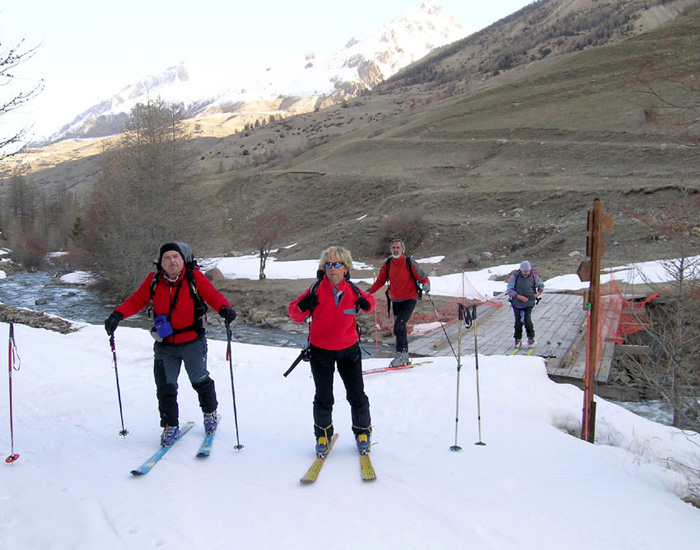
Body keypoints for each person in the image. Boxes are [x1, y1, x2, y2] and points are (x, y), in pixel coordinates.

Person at [103, 242, 237, 447]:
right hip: (165, 344)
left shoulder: (193, 278)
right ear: (161, 262)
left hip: (193, 341)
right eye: (167, 257)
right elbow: (137, 300)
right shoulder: (154, 280)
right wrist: (117, 316)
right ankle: (169, 424)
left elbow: (211, 295)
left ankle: (210, 412)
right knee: (165, 386)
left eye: (176, 257)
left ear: (183, 260)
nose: (172, 261)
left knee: (199, 380)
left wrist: (224, 309)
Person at [288, 246, 376, 456]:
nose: (333, 268)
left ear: (346, 268)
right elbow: (294, 314)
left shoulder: (353, 290)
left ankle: (362, 432)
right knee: (324, 397)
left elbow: (370, 302)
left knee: (356, 394)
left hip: (349, 351)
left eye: (337, 264)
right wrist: (302, 307)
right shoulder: (315, 290)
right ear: (323, 268)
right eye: (328, 264)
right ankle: (323, 435)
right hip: (321, 352)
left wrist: (366, 304)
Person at [368, 238, 431, 367]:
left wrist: (426, 284)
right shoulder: (388, 263)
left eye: (398, 248)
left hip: (410, 298)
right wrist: (369, 292)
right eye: (393, 248)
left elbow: (422, 276)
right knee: (399, 328)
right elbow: (380, 281)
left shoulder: (409, 261)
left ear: (402, 249)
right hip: (396, 300)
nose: (395, 250)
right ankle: (403, 356)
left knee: (399, 326)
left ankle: (401, 354)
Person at [506, 260, 544, 349]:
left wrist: (537, 294)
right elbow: (509, 290)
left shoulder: (534, 276)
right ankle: (518, 340)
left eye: (527, 271)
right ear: (521, 270)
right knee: (518, 322)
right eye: (524, 271)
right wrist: (519, 297)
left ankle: (531, 339)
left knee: (527, 321)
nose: (526, 273)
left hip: (529, 302)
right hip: (516, 303)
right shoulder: (515, 277)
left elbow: (541, 286)